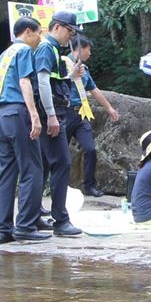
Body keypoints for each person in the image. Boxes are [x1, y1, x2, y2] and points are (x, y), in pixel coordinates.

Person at [0, 17, 48, 243]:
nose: (40, 38)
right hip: (18, 112)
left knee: (7, 172)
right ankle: (25, 225)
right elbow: (25, 82)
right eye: (38, 33)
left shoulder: (4, 55)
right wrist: (34, 116)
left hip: (2, 115)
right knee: (32, 169)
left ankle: (3, 229)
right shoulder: (24, 50)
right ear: (28, 32)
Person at [33, 10, 83, 237]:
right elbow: (42, 82)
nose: (71, 36)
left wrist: (72, 76)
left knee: (43, 165)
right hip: (52, 115)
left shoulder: (53, 49)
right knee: (61, 163)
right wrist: (51, 115)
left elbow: (54, 82)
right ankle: (61, 220)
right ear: (57, 27)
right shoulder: (47, 48)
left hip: (53, 113)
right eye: (70, 31)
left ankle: (34, 215)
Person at [65, 35, 119, 197]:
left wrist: (109, 108)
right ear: (80, 49)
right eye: (88, 50)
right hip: (64, 113)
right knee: (60, 153)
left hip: (81, 114)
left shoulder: (84, 69)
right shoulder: (62, 63)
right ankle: (58, 187)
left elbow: (94, 89)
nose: (90, 53)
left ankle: (89, 186)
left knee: (90, 149)